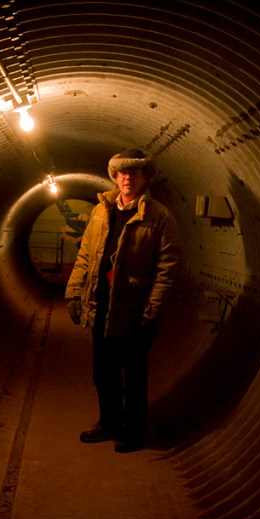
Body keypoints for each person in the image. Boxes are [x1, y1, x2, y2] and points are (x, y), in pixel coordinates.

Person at [65, 147, 182, 452]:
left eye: (134, 172)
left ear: (146, 177)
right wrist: (74, 292)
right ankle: (109, 422)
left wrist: (152, 311)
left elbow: (166, 268)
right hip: (102, 303)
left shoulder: (159, 216)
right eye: (122, 173)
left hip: (134, 308)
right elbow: (86, 254)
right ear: (114, 177)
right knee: (103, 371)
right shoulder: (101, 210)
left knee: (134, 374)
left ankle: (134, 430)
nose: (127, 178)